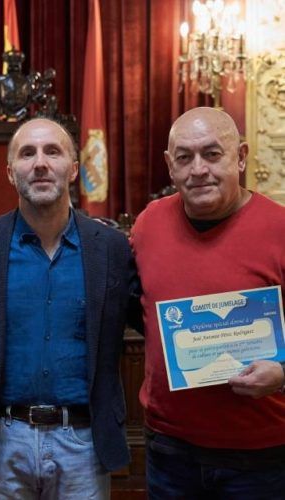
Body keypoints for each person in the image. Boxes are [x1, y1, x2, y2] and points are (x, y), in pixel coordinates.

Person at [0, 117, 140, 499]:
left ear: (73, 169)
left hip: (83, 443)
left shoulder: (112, 248)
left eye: (53, 151)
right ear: (9, 172)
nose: (40, 162)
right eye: (27, 153)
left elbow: (150, 316)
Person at [130, 106, 285, 499]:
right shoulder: (148, 225)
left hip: (262, 460)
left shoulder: (280, 229)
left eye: (212, 154)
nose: (198, 169)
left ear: (242, 157)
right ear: (170, 165)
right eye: (184, 157)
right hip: (170, 453)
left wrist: (283, 374)